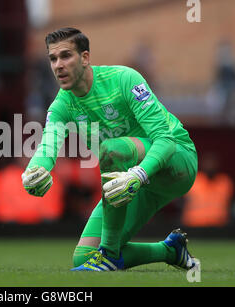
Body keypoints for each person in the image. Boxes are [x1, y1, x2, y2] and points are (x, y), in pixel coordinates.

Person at [21, 28, 198, 271]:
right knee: (83, 258)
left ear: (85, 58)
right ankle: (170, 250)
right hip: (134, 182)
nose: (58, 65)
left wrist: (139, 174)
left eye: (65, 56)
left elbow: (165, 140)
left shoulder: (124, 79)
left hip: (177, 161)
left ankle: (110, 255)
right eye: (53, 59)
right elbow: (47, 145)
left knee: (111, 149)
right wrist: (34, 170)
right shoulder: (62, 105)